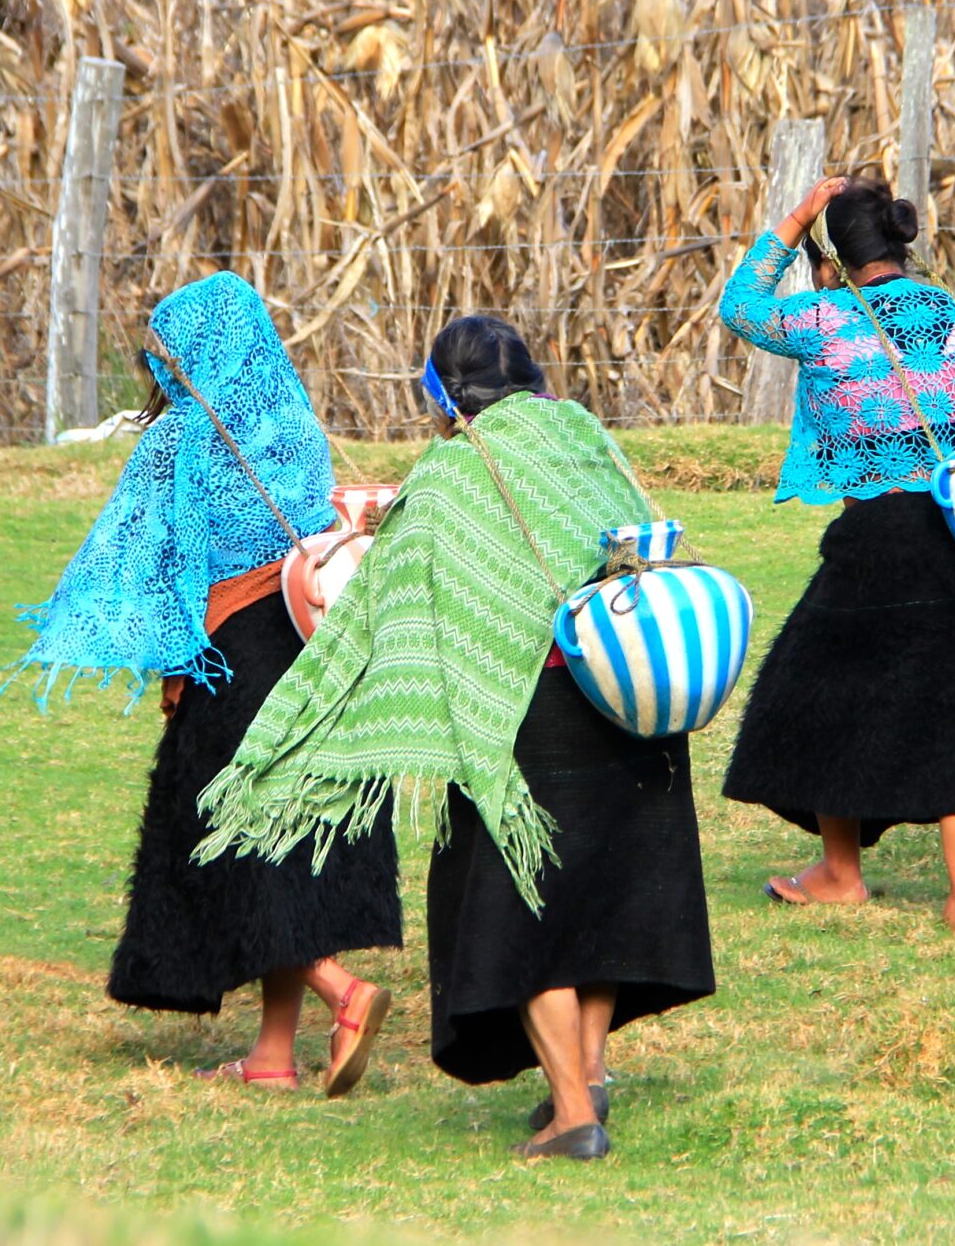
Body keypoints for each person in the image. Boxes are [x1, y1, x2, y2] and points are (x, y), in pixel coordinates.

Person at [196, 315, 714, 1162]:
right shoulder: (585, 439)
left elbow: (383, 613)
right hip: (630, 694)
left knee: (523, 913)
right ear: (533, 378)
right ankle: (588, 1075)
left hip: (525, 721)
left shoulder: (448, 478)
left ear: (441, 397)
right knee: (599, 899)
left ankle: (575, 1115)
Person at [5, 272, 400, 1095]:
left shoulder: (176, 443)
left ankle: (343, 992)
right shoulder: (291, 421)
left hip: (231, 661)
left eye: (164, 356)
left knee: (234, 844)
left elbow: (145, 564)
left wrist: (135, 643)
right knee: (286, 836)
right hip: (309, 646)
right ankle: (271, 1057)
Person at [715, 175, 955, 940]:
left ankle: (841, 873)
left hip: (881, 540)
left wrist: (797, 218)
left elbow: (737, 306)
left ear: (831, 259)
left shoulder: (825, 318)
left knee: (822, 696)